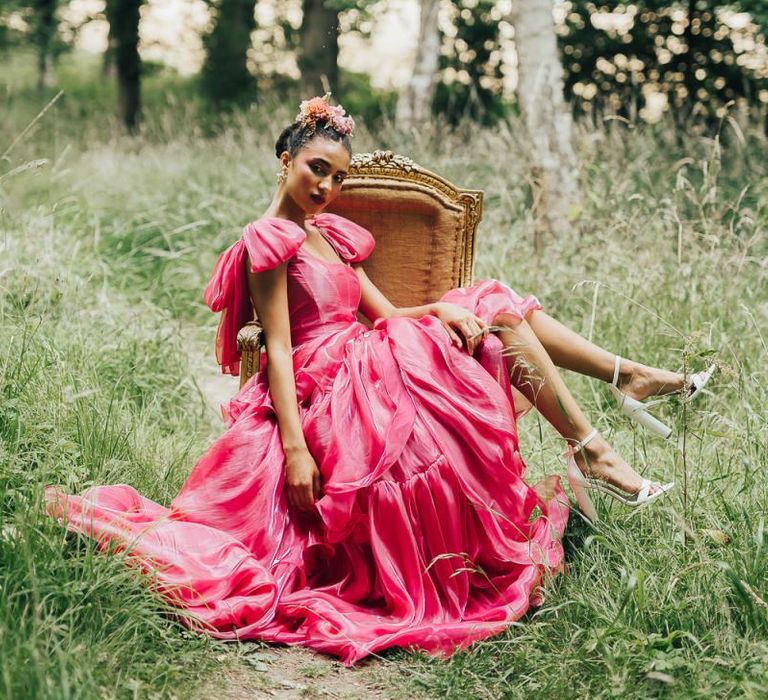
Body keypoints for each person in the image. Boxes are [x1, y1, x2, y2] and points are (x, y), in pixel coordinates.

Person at [46, 96, 711, 665]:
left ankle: (615, 405)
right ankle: (612, 413)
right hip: (326, 381)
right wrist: (299, 448)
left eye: (336, 177)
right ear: (286, 161)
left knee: (489, 304)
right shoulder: (267, 239)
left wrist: (440, 308)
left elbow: (388, 315)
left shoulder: (330, 235)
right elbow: (277, 346)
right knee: (497, 308)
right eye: (316, 170)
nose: (325, 187)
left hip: (372, 352)